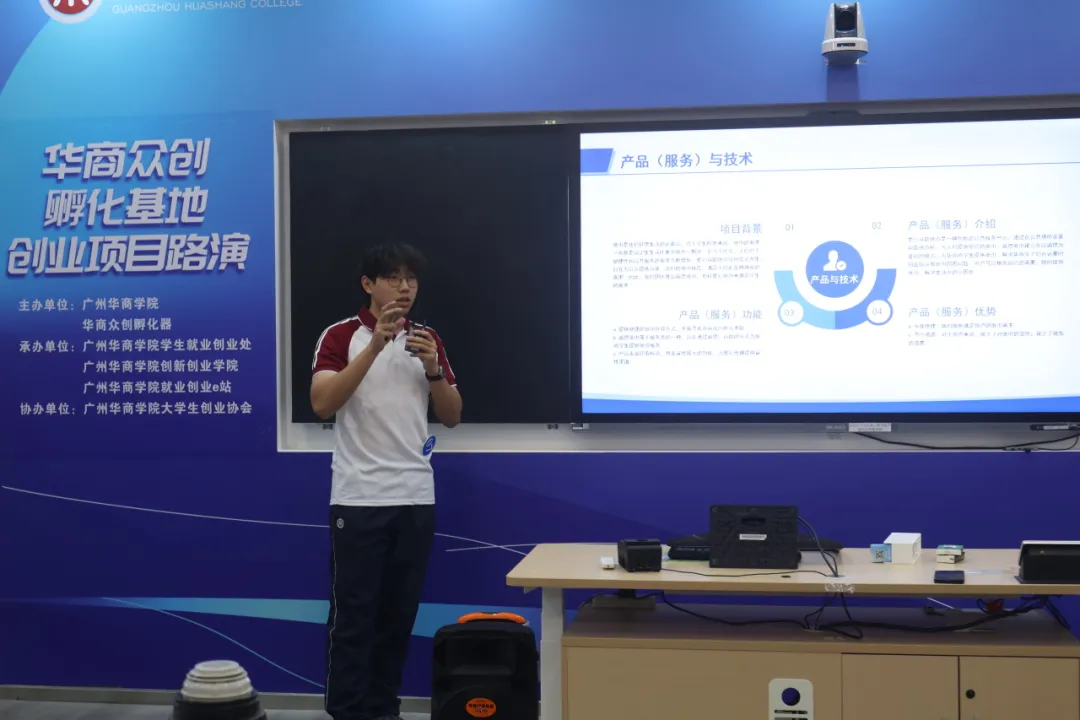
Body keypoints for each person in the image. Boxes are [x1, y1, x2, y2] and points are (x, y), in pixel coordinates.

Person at [310, 242, 462, 720]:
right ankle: (348, 711)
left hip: (415, 497)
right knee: (354, 618)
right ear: (368, 284)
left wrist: (434, 370)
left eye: (411, 278)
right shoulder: (341, 336)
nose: (404, 287)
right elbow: (322, 404)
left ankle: (383, 708)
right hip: (359, 499)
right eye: (393, 277)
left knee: (398, 618)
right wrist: (376, 345)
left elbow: (452, 416)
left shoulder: (427, 339)